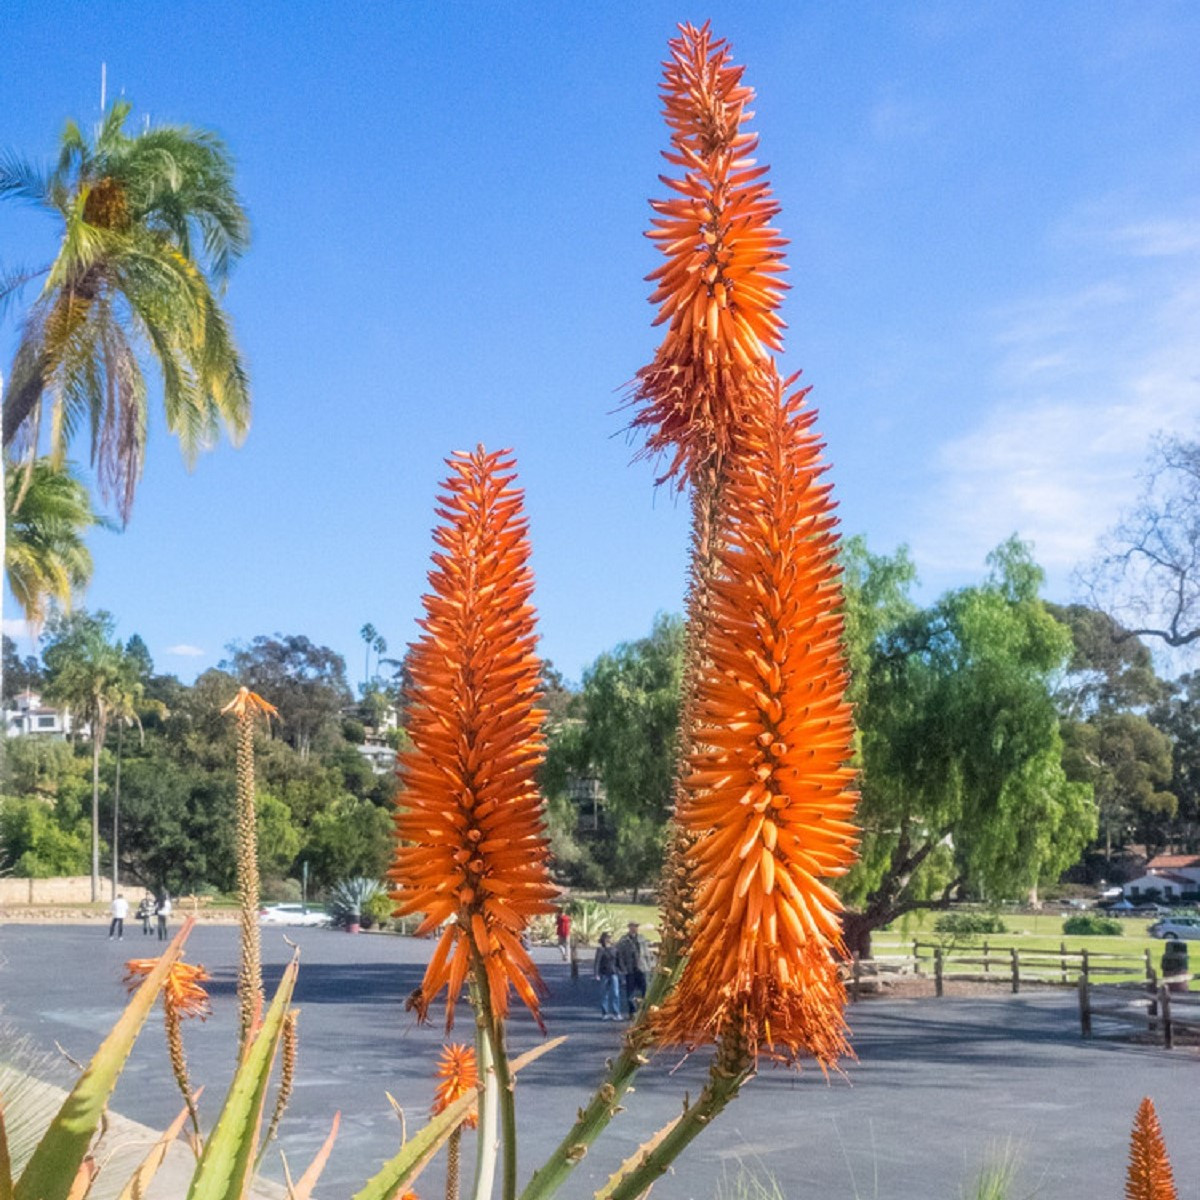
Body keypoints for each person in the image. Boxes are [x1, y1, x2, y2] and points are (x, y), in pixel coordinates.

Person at [614, 921, 651, 1017]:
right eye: (632, 926)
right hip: (630, 969)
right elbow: (619, 956)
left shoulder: (642, 939)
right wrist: (622, 968)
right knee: (630, 992)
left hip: (642, 968)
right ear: (629, 928)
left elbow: (647, 953)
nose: (634, 928)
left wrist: (649, 966)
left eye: (636, 927)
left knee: (644, 990)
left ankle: (643, 1010)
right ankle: (632, 1011)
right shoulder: (623, 940)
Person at [594, 931, 620, 1020]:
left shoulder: (615, 949)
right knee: (605, 994)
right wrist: (596, 974)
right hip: (604, 973)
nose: (608, 940)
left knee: (615, 993)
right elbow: (597, 962)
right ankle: (605, 1013)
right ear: (603, 939)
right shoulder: (601, 949)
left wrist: (621, 971)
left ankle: (616, 1013)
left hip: (614, 973)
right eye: (606, 938)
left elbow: (618, 961)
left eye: (609, 938)